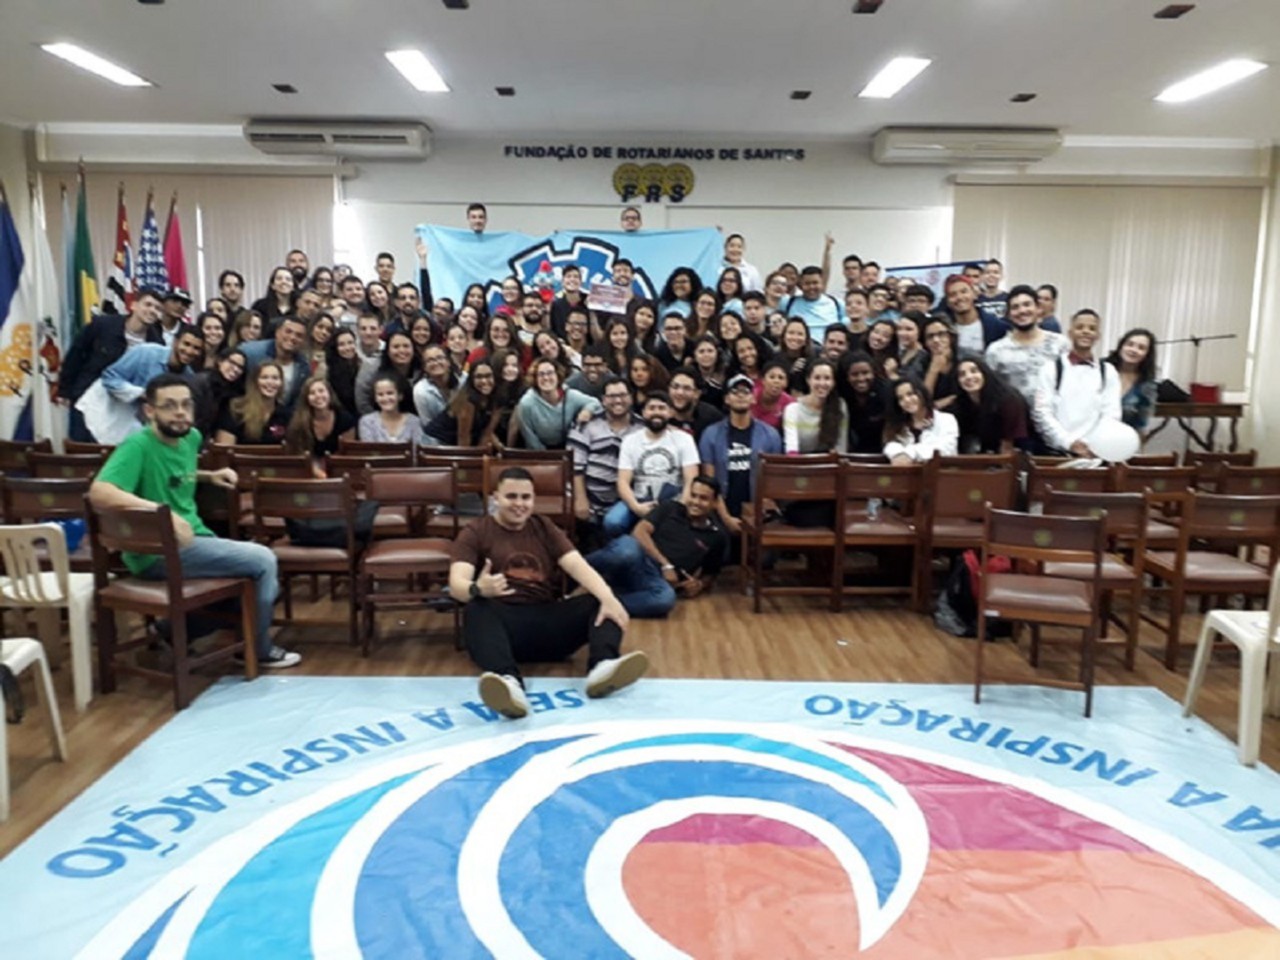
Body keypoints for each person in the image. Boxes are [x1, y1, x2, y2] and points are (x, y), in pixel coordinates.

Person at [89, 374, 300, 668]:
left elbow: (175, 475)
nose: (180, 413)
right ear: (149, 411)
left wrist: (209, 476)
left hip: (193, 540)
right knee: (264, 560)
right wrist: (162, 514)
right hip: (155, 552)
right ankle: (258, 649)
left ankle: (171, 630)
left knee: (262, 583)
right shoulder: (137, 446)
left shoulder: (191, 438)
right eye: (169, 406)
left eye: (186, 405)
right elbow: (99, 492)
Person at [448, 466, 645, 720]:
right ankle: (508, 683)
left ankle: (602, 667)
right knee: (477, 607)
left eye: (526, 497)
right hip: (503, 627)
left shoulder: (543, 526)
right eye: (511, 497)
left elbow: (577, 565)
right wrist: (478, 588)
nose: (519, 504)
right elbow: (456, 585)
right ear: (495, 498)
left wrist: (608, 598)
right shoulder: (476, 531)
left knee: (600, 599)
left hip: (546, 622)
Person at [587, 475, 728, 618]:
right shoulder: (670, 507)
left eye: (703, 498)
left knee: (665, 599)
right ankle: (579, 567)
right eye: (693, 495)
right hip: (637, 557)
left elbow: (711, 573)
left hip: (654, 579)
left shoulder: (717, 537)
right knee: (627, 551)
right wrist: (666, 565)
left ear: (715, 503)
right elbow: (639, 532)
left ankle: (600, 605)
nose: (695, 502)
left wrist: (699, 585)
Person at [61, 287, 166, 441]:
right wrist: (66, 391)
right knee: (81, 449)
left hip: (125, 410)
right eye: (148, 305)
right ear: (133, 305)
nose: (152, 311)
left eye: (157, 308)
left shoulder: (157, 343)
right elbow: (76, 354)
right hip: (87, 398)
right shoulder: (103, 325)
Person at [83, 326, 206, 444]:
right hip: (101, 416)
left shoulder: (189, 378)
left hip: (136, 431)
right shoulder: (146, 352)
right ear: (175, 341)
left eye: (196, 348)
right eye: (186, 344)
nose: (190, 351)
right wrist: (141, 393)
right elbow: (109, 377)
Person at [606, 391, 701, 537]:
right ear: (643, 413)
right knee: (612, 522)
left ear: (670, 412)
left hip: (673, 501)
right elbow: (622, 481)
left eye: (661, 408)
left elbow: (691, 479)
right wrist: (636, 507)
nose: (656, 412)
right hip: (639, 499)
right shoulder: (630, 440)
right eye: (651, 408)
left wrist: (680, 507)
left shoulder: (684, 439)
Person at [700, 374, 783, 537]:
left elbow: (773, 482)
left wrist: (757, 516)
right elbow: (709, 483)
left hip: (758, 514)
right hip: (721, 513)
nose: (740, 396)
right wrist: (726, 518)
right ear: (726, 399)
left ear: (753, 398)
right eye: (735, 391)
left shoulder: (771, 435)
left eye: (745, 391)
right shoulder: (710, 434)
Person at [1032, 309, 1124, 457]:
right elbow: (1042, 412)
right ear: (1070, 333)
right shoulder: (1051, 369)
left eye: (1092, 328)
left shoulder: (1108, 371)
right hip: (1057, 452)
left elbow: (1112, 413)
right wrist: (1069, 442)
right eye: (1080, 327)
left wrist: (1095, 443)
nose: (1085, 331)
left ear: (1098, 335)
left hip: (1096, 451)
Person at [570, 376, 644, 531]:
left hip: (626, 502)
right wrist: (580, 499)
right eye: (611, 396)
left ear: (631, 398)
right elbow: (575, 467)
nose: (617, 400)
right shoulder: (586, 424)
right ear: (603, 400)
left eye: (622, 395)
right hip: (590, 499)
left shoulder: (642, 427)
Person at [984, 284, 1068, 407]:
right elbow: (990, 392)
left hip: (1054, 415)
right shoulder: (996, 351)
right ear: (1008, 314)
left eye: (1027, 304)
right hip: (1014, 417)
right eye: (1015, 307)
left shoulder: (1060, 344)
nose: (1022, 311)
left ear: (1038, 308)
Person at [516, 358, 602, 450]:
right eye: (541, 374)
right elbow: (530, 436)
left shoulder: (570, 395)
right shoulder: (526, 403)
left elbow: (595, 402)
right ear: (535, 379)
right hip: (540, 450)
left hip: (570, 447)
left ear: (558, 376)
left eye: (550, 373)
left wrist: (588, 410)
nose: (546, 378)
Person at [952, 357, 1029, 454]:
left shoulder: (1008, 400)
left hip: (1018, 449)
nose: (968, 377)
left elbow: (1007, 446)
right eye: (962, 374)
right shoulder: (962, 402)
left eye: (974, 371)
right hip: (986, 449)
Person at [424, 358, 503, 449]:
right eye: (478, 377)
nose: (484, 381)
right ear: (471, 380)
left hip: (455, 443)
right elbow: (463, 438)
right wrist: (472, 457)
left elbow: (487, 433)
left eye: (488, 376)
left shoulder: (498, 400)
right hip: (436, 441)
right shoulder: (467, 401)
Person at [238, 315, 310, 412]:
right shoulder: (250, 352)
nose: (293, 337)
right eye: (288, 332)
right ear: (277, 332)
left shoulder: (303, 366)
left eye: (299, 335)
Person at [286, 376, 356, 474]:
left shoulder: (346, 420)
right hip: (308, 469)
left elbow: (346, 454)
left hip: (339, 468)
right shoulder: (299, 422)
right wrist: (317, 473)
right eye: (312, 393)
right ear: (306, 398)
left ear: (329, 393)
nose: (318, 395)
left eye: (321, 391)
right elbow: (299, 454)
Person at [883, 378, 959, 464]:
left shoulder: (946, 419)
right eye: (900, 398)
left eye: (910, 394)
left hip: (942, 470)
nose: (906, 400)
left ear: (922, 393)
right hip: (908, 471)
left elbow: (947, 449)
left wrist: (911, 453)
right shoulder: (898, 425)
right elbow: (890, 445)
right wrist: (897, 454)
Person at [214, 361, 289, 446]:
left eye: (275, 378)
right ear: (254, 382)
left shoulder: (285, 414)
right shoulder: (236, 409)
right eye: (264, 377)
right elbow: (224, 449)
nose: (270, 382)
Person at [783, 358, 848, 455]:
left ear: (833, 382)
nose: (822, 383)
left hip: (828, 460)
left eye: (827, 378)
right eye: (817, 378)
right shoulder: (793, 409)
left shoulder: (840, 405)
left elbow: (841, 447)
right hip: (800, 460)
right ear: (808, 380)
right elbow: (791, 447)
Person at [354, 331, 422, 415]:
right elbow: (362, 401)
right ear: (388, 350)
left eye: (406, 346)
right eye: (396, 347)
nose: (401, 350)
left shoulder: (421, 367)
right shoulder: (371, 367)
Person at [941, 274, 1007, 358]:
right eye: (953, 294)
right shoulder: (944, 329)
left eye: (964, 292)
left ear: (974, 294)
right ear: (947, 301)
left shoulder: (996, 326)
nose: (959, 297)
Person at [1106, 328, 1159, 433]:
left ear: (1147, 354)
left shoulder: (1147, 385)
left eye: (1141, 348)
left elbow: (1142, 423)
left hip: (1122, 437)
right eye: (1130, 344)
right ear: (1121, 346)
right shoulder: (1101, 369)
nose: (1133, 350)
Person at [838, 352, 890, 454]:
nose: (861, 378)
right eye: (854, 374)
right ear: (846, 377)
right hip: (850, 452)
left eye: (865, 373)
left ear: (874, 373)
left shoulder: (886, 392)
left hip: (883, 451)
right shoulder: (841, 395)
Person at [358, 372, 428, 445]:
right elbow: (369, 449)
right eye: (380, 394)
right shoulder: (367, 422)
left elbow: (418, 448)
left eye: (390, 393)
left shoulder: (414, 421)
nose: (385, 398)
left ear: (400, 396)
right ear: (375, 398)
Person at [192, 348, 247, 439]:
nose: (236, 369)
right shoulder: (201, 382)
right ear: (220, 361)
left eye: (240, 367)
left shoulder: (233, 392)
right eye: (232, 363)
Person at [667, 366, 723, 442]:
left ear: (697, 393)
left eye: (686, 388)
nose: (680, 392)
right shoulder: (660, 416)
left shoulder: (711, 418)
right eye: (675, 387)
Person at [781, 266, 846, 329]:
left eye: (815, 283)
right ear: (801, 284)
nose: (811, 287)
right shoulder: (788, 303)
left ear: (822, 283)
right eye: (807, 283)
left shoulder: (837, 304)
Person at [412, 344, 460, 425]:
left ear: (448, 362)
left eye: (440, 358)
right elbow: (428, 424)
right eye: (430, 360)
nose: (436, 363)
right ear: (425, 367)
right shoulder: (420, 391)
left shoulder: (463, 380)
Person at [325, 327, 362, 417]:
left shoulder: (361, 364)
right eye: (342, 344)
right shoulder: (328, 369)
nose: (347, 348)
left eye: (350, 343)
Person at [751, 358, 795, 433]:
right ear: (763, 380)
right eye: (772, 377)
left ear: (786, 383)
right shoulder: (751, 396)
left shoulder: (790, 403)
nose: (776, 381)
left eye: (781, 378)